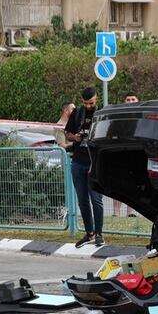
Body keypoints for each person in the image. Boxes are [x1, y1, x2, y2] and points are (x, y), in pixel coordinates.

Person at [63, 87, 104, 247]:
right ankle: (89, 233)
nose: (88, 106)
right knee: (82, 200)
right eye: (86, 103)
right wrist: (75, 137)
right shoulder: (78, 113)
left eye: (91, 103)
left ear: (97, 99)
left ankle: (100, 233)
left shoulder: (101, 113)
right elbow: (67, 133)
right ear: (82, 101)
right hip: (78, 161)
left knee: (96, 199)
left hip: (94, 162)